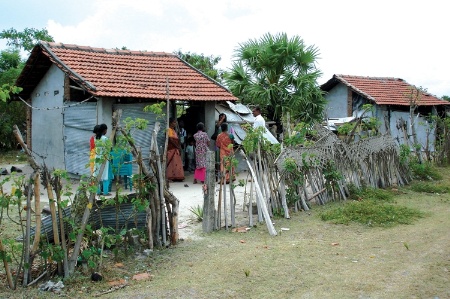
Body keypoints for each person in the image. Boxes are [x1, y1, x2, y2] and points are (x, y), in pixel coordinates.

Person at [93, 123, 112, 195]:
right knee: (105, 174)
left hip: (97, 157)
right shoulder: (105, 138)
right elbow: (109, 148)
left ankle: (98, 191)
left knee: (97, 173)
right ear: (104, 130)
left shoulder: (95, 138)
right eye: (106, 130)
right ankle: (105, 192)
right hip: (104, 157)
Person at [166, 117, 185, 182]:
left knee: (177, 163)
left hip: (175, 149)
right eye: (174, 122)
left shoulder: (173, 130)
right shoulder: (168, 130)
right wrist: (177, 146)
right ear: (170, 123)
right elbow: (170, 139)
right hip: (171, 149)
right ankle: (172, 177)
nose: (175, 124)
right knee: (172, 163)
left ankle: (177, 177)